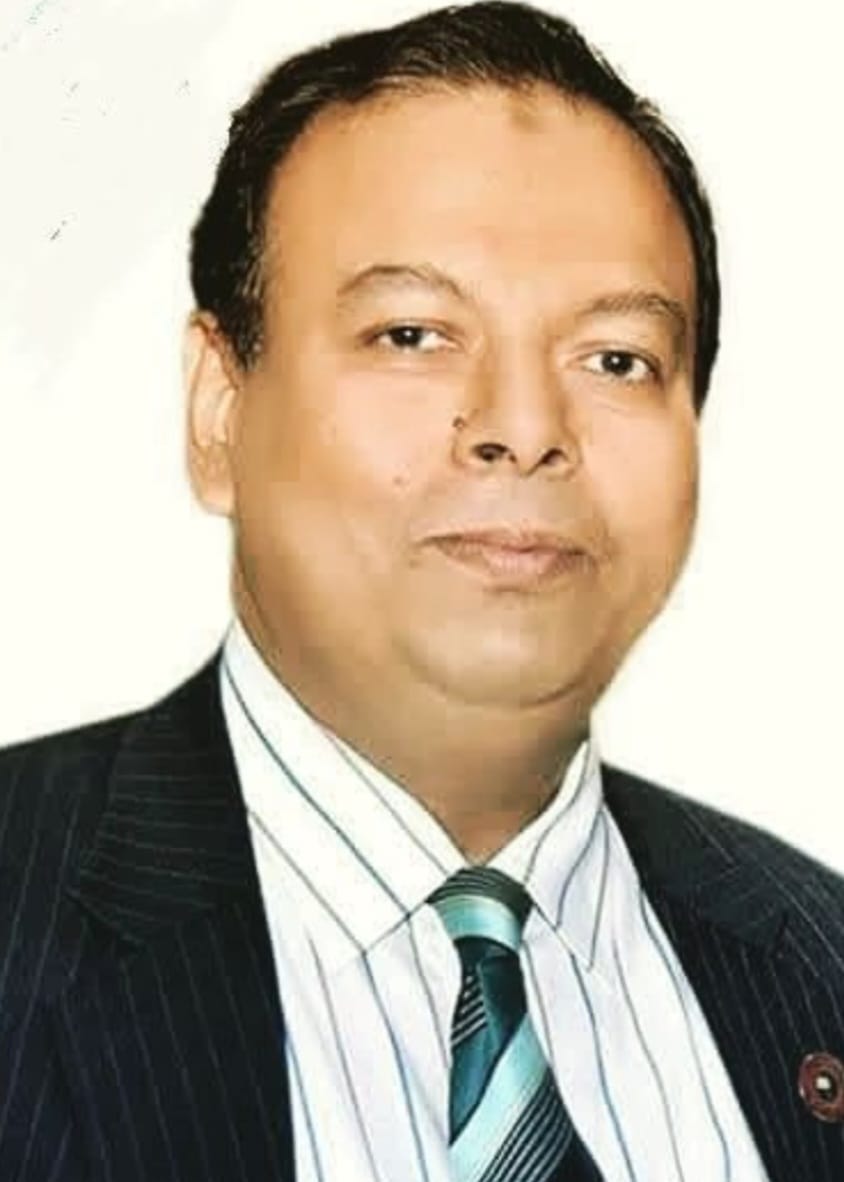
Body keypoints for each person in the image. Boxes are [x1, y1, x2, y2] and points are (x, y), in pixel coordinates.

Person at [1, 3, 843, 1180]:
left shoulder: (817, 957)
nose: (523, 427)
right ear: (219, 408)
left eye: (615, 359)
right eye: (411, 335)